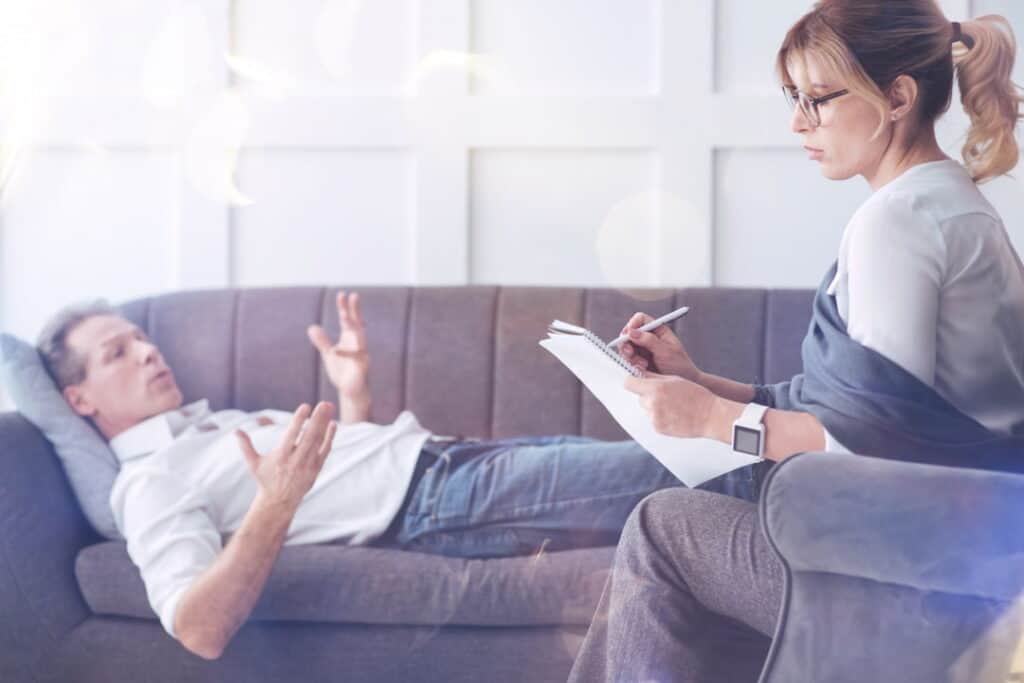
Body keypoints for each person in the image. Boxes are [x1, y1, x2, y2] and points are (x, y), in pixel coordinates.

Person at [568, 2, 1024, 681]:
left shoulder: (895, 223)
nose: (797, 123)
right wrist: (702, 384)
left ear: (897, 96)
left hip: (922, 584)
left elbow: (873, 455)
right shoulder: (946, 201)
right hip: (957, 556)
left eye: (818, 99)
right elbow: (856, 412)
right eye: (793, 98)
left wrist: (714, 420)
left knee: (663, 528)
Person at [36, 289, 748, 662]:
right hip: (441, 499)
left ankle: (803, 462)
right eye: (116, 353)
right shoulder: (149, 481)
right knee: (671, 458)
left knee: (671, 461)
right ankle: (817, 457)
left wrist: (355, 400)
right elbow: (196, 628)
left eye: (139, 338)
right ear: (80, 399)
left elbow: (340, 481)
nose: (146, 351)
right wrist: (276, 501)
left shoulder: (204, 427)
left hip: (452, 463)